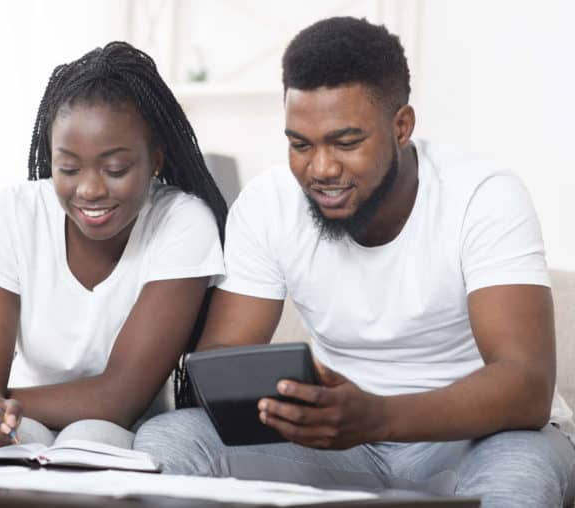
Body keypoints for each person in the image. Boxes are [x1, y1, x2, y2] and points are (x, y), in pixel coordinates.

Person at [133, 17, 575, 507]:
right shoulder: (267, 204)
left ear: (402, 126)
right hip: (342, 448)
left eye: (346, 143)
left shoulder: (483, 197)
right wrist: (294, 400)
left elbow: (526, 386)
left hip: (474, 441)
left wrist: (377, 416)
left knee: (520, 472)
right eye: (300, 144)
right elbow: (221, 360)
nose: (320, 168)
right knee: (173, 439)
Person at [0, 41, 227, 449]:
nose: (89, 189)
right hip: (19, 419)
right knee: (12, 438)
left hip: (127, 429)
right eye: (67, 167)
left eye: (115, 168)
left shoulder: (184, 223)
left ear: (155, 159)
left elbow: (120, 398)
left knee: (91, 435)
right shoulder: (14, 214)